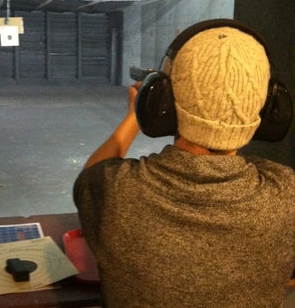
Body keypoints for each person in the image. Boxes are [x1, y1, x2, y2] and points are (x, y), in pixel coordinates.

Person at [73, 20, 295, 308]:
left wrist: (133, 117)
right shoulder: (286, 193)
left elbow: (91, 175)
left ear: (160, 100)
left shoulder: (117, 191)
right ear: (266, 109)